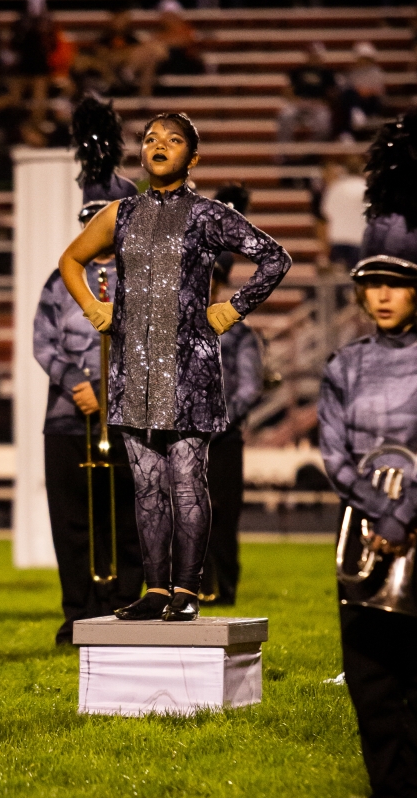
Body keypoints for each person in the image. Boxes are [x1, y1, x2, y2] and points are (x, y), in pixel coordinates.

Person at [59, 112, 292, 621]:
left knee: (186, 481)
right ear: (142, 153)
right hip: (133, 370)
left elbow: (275, 258)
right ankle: (156, 591)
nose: (159, 144)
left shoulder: (208, 215)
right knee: (146, 485)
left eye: (173, 139)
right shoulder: (120, 214)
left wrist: (233, 308)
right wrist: (95, 308)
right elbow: (70, 261)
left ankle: (187, 590)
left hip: (190, 369)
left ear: (193, 157)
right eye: (150, 138)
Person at [317, 106, 417, 798]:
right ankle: (388, 789)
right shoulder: (342, 365)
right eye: (373, 281)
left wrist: (404, 513)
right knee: (370, 671)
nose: (382, 294)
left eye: (398, 282)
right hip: (362, 529)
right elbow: (334, 453)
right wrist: (380, 513)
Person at [34, 97, 142, 644]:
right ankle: (77, 611)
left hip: (124, 414)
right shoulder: (60, 281)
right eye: (87, 221)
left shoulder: (143, 279)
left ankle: (122, 606)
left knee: (125, 518)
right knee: (72, 521)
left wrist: (105, 388)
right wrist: (77, 383)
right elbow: (43, 340)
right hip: (66, 416)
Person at [199, 184, 263, 606]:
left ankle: (224, 588)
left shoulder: (239, 332)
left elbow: (250, 386)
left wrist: (218, 420)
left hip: (223, 440)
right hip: (186, 437)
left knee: (223, 515)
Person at [277, 43, 335, 144]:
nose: (313, 57)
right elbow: (288, 91)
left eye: (316, 55)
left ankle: (310, 150)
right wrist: (296, 101)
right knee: (285, 115)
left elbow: (332, 95)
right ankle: (284, 150)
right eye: (311, 54)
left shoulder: (327, 74)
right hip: (299, 103)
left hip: (318, 105)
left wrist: (321, 102)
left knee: (324, 124)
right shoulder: (297, 72)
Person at [319, 156, 367, 269]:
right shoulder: (365, 188)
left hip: (337, 238)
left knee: (339, 276)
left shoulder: (335, 188)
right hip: (358, 240)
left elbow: (326, 213)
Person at [338, 43, 385, 138]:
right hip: (355, 100)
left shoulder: (376, 72)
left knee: (352, 97)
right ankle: (354, 116)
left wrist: (362, 91)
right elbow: (348, 87)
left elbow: (378, 91)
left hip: (370, 101)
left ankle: (356, 114)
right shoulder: (352, 72)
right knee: (348, 95)